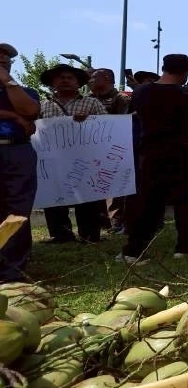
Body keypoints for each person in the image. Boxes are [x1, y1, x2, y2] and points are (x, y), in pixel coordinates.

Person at [119, 55, 188, 264]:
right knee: (185, 204)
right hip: (183, 155)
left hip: (150, 155)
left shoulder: (141, 92)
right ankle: (185, 247)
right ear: (186, 73)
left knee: (147, 204)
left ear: (163, 68)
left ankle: (133, 250)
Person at [39, 63, 107, 243]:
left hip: (85, 158)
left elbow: (107, 127)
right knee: (53, 195)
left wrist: (90, 121)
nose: (65, 80)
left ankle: (89, 234)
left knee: (87, 195)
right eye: (61, 78)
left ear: (78, 83)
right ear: (52, 83)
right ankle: (60, 234)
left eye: (70, 78)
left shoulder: (92, 102)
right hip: (54, 159)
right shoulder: (42, 105)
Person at [0, 43, 40, 280]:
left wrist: (8, 82)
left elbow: (31, 111)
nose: (2, 61)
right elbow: (21, 115)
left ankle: (12, 271)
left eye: (6, 59)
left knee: (17, 210)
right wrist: (13, 116)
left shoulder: (25, 91)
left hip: (16, 151)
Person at [88, 68, 130, 233]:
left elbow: (121, 123)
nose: (90, 81)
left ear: (106, 78)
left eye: (94, 78)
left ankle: (116, 222)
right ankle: (100, 222)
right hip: (92, 151)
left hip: (114, 151)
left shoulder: (120, 99)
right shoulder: (89, 99)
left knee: (114, 188)